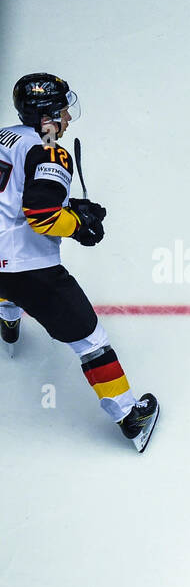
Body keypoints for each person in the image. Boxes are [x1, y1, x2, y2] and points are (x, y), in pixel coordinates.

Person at [0, 73, 158, 451]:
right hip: (28, 269)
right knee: (90, 340)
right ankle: (129, 416)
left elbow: (15, 196)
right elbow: (40, 215)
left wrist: (68, 206)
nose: (68, 117)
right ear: (46, 115)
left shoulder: (6, 136)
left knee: (7, 289)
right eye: (62, 110)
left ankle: (8, 321)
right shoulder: (50, 149)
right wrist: (79, 225)